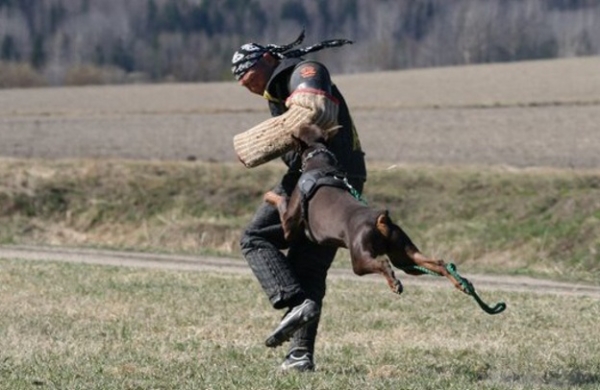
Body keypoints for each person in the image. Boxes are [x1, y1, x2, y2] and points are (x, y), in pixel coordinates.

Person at [231, 30, 367, 372]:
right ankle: (299, 355)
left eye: (244, 72)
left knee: (255, 237)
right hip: (332, 177)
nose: (240, 81)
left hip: (321, 176)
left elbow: (316, 111)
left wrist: (256, 143)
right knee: (308, 268)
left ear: (266, 60)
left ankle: (293, 302)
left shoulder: (303, 70)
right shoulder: (277, 89)